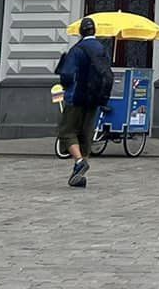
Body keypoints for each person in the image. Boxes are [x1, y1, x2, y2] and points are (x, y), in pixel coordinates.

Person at [54, 17, 114, 189]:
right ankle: (79, 176)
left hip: (76, 96)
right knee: (85, 134)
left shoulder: (77, 49)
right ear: (94, 31)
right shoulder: (102, 49)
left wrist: (65, 86)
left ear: (81, 31)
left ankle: (79, 162)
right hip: (94, 98)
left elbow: (66, 74)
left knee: (66, 131)